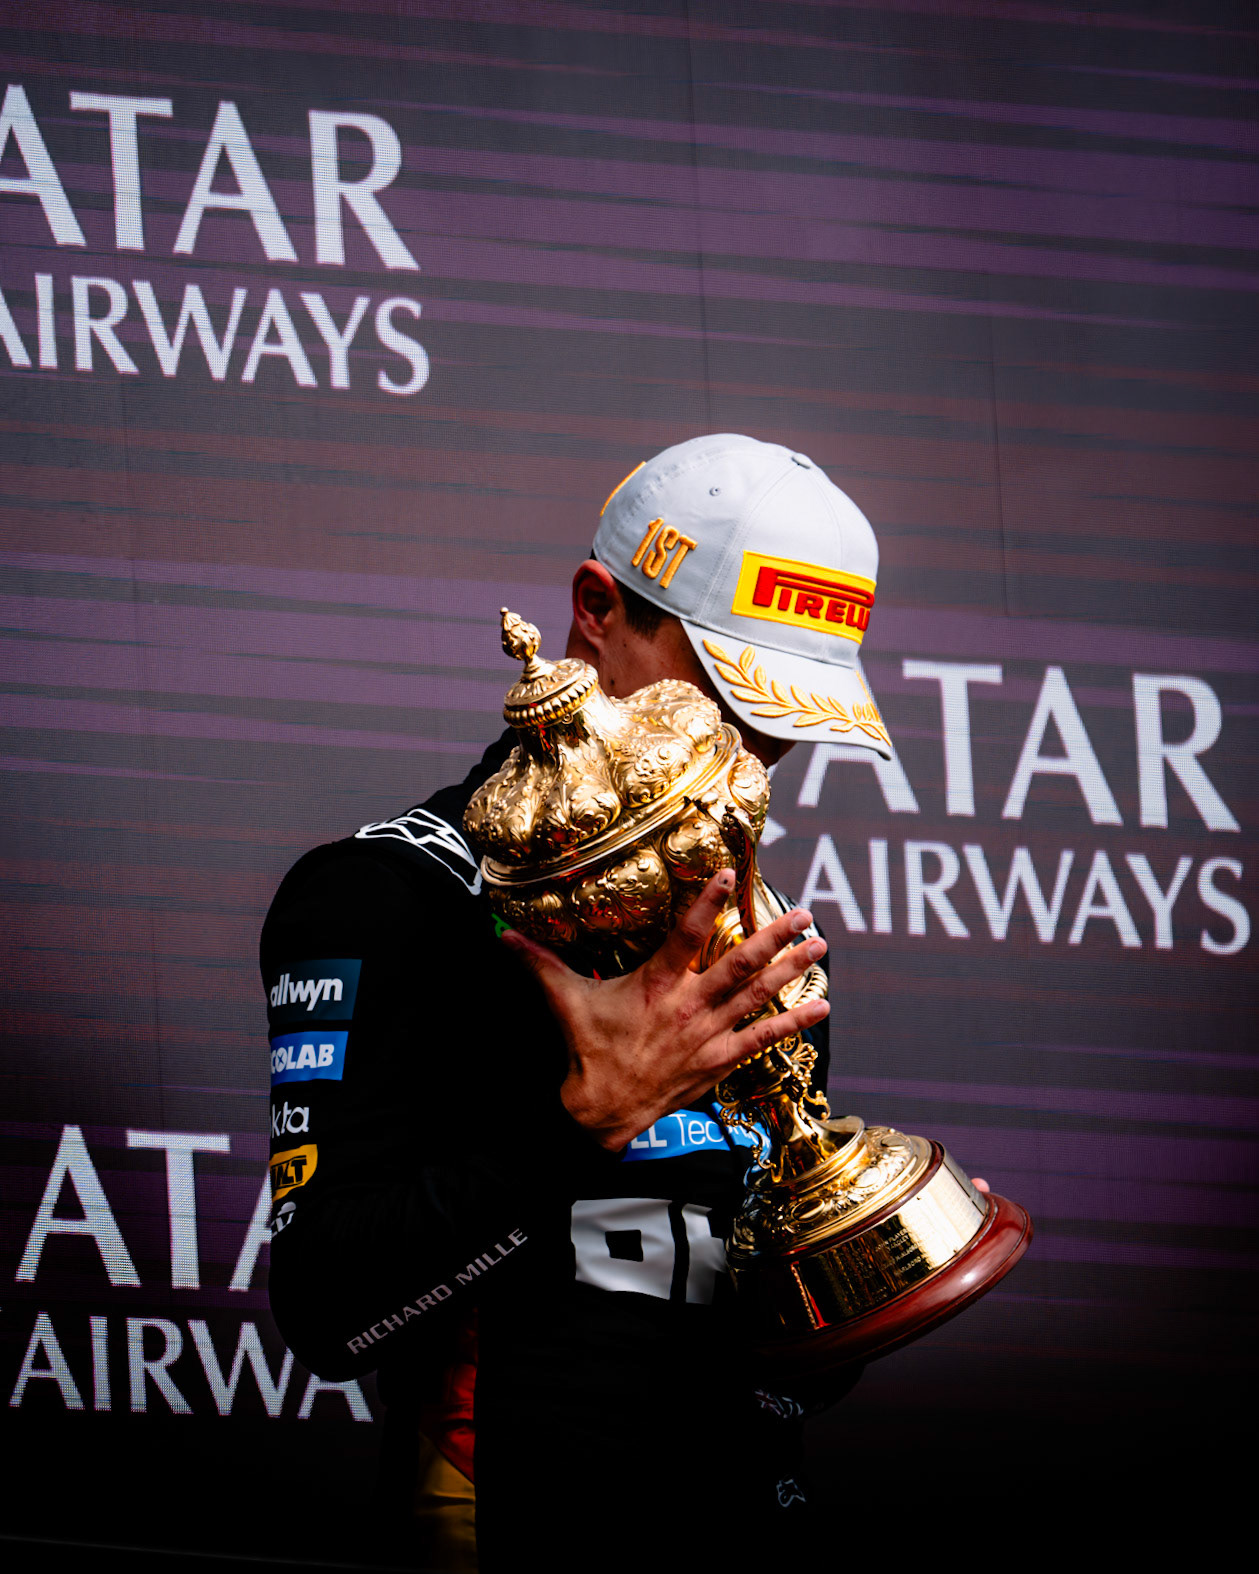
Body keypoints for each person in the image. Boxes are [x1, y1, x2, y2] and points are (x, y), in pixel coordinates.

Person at [261, 435, 935, 1569]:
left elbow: (769, 1347)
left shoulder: (749, 933)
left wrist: (854, 1257)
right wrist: (582, 1122)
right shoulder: (386, 894)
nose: (751, 754)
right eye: (726, 691)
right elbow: (330, 1312)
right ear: (593, 608)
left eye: (786, 721)